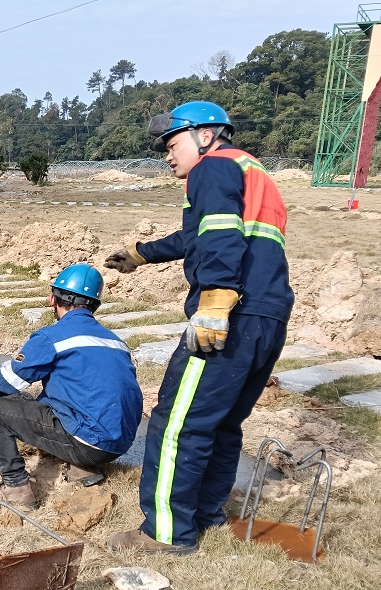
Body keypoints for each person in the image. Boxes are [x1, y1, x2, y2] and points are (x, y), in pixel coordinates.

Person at [104, 101, 294, 555]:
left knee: (177, 423)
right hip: (268, 315)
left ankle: (166, 532)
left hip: (232, 315)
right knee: (222, 424)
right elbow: (199, 236)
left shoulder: (211, 167)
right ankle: (208, 512)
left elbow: (220, 234)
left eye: (173, 144)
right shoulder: (251, 171)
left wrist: (216, 298)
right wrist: (142, 253)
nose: (168, 155)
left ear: (205, 136)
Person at [0, 264, 143, 509]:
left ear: (53, 299)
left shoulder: (52, 337)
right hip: (118, 445)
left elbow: (12, 377)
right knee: (51, 403)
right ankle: (82, 468)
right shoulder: (115, 341)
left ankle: (16, 489)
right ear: (95, 305)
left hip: (88, 442)